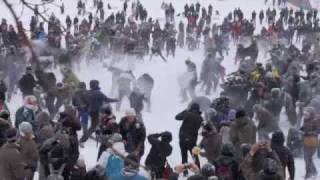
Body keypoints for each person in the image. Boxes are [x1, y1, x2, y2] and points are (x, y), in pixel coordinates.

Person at [80, 80, 118, 144]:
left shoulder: (88, 92)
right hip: (95, 111)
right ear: (96, 85)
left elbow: (83, 101)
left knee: (95, 124)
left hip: (89, 111)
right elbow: (107, 99)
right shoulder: (98, 93)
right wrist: (115, 100)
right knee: (94, 126)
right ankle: (83, 139)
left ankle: (91, 135)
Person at [175, 103, 203, 176]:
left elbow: (177, 117)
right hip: (193, 141)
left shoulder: (187, 113)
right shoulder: (200, 118)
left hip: (183, 139)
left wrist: (185, 110)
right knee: (195, 156)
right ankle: (198, 171)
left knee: (184, 156)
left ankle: (185, 172)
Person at [301, 107, 319, 179]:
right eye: (304, 114)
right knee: (307, 158)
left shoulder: (316, 120)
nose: (305, 116)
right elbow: (304, 128)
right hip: (306, 141)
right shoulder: (305, 120)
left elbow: (318, 131)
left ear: (311, 114)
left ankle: (311, 173)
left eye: (307, 114)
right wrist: (301, 130)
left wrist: (309, 133)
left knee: (307, 158)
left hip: (313, 142)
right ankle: (310, 172)